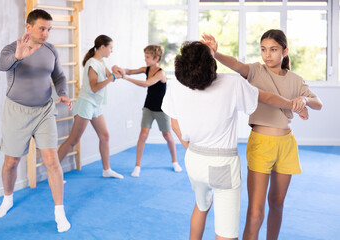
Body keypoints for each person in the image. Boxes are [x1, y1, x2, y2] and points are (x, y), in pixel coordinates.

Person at [161, 41, 308, 240]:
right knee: (226, 232)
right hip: (221, 165)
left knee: (201, 205)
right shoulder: (231, 83)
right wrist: (293, 104)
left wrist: (191, 149)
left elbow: (175, 125)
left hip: (193, 159)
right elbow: (266, 98)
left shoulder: (175, 84)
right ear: (211, 65)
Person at [202, 30, 323, 240]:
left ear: (285, 51)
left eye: (274, 50)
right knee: (256, 212)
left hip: (286, 145)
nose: (267, 55)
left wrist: (304, 101)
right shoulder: (256, 71)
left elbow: (318, 104)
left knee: (277, 204)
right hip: (261, 144)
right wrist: (216, 54)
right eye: (264, 49)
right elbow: (236, 64)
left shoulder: (296, 79)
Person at [0, 9, 72, 232]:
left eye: (49, 29)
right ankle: (7, 199)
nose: (47, 33)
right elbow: (3, 65)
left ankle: (60, 213)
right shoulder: (12, 49)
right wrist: (18, 57)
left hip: (44, 111)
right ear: (28, 27)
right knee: (12, 162)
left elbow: (58, 76)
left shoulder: (50, 50)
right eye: (42, 28)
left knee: (51, 161)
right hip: (16, 111)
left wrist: (62, 92)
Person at [57, 35, 124, 179]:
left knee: (105, 136)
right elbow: (94, 87)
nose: (111, 51)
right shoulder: (92, 64)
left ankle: (106, 170)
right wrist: (111, 78)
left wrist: (116, 71)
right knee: (73, 140)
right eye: (110, 47)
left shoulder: (101, 62)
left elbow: (111, 76)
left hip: (96, 105)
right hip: (86, 103)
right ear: (102, 47)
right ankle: (53, 172)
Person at [112, 45, 182, 177]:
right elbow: (130, 71)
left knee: (167, 135)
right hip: (148, 107)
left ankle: (175, 161)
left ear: (156, 58)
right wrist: (119, 69)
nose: (145, 59)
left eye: (148, 57)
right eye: (145, 56)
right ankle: (137, 166)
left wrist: (125, 78)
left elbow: (146, 84)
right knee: (143, 135)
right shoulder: (146, 69)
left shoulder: (161, 73)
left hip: (162, 109)